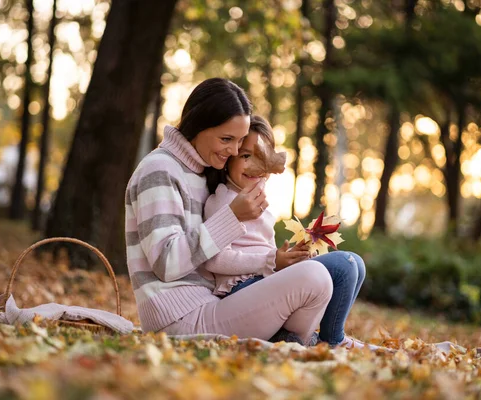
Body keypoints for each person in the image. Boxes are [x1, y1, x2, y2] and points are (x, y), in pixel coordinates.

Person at [125, 78, 332, 345]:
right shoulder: (159, 170)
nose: (234, 151)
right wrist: (232, 217)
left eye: (238, 142)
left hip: (213, 304)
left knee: (328, 269)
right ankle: (300, 341)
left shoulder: (201, 171)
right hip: (178, 317)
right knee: (314, 278)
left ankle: (298, 340)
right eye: (227, 139)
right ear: (198, 125)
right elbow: (166, 263)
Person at [204, 116, 367, 348]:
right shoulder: (222, 200)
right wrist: (271, 261)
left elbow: (268, 257)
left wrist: (290, 258)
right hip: (239, 291)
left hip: (265, 281)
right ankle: (331, 341)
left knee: (356, 264)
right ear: (230, 158)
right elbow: (215, 260)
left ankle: (310, 336)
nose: (254, 165)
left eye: (262, 157)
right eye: (246, 156)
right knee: (344, 264)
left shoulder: (261, 205)